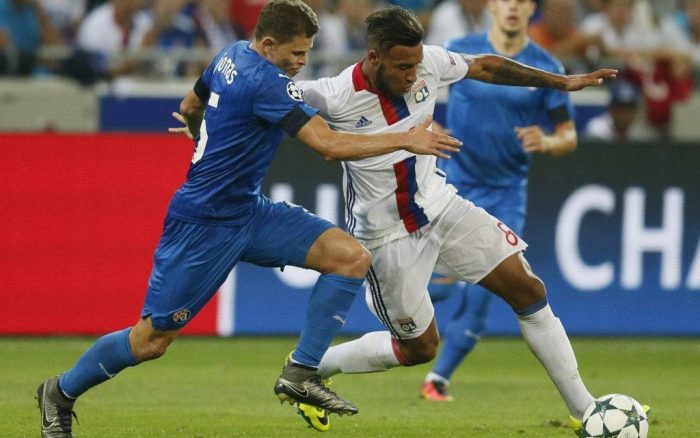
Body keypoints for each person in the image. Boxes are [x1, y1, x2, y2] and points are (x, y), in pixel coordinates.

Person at [35, 1, 462, 437]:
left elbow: (189, 103)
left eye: (308, 53)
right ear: (270, 43)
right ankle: (60, 392)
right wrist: (407, 139)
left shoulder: (230, 54)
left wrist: (207, 133)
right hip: (203, 224)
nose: (302, 63)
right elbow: (329, 145)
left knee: (350, 257)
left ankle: (301, 372)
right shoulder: (268, 84)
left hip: (249, 211)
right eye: (296, 54)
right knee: (150, 341)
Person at [292, 3, 620, 435]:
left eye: (416, 63)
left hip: (443, 208)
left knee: (528, 288)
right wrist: (206, 113)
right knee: (420, 348)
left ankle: (588, 411)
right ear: (373, 57)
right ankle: (311, 369)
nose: (413, 75)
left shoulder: (428, 62)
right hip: (387, 237)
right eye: (402, 66)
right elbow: (264, 98)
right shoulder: (332, 93)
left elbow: (485, 66)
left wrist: (560, 82)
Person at [420, 0, 578, 404]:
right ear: (492, 7)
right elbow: (416, 94)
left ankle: (438, 379)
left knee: (483, 293)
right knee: (428, 285)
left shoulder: (545, 67)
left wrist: (547, 141)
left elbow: (568, 134)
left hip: (506, 195)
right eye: (505, 0)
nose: (512, 7)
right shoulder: (461, 48)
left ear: (530, 11)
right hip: (453, 185)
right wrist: (426, 124)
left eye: (522, 1)